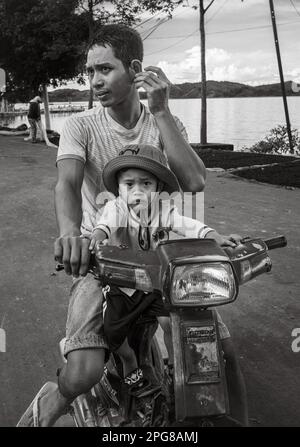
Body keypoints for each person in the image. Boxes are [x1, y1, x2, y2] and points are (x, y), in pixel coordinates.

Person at [16, 23, 245, 427]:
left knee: (219, 348)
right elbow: (66, 183)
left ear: (134, 69)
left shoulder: (163, 122)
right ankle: (54, 398)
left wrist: (161, 110)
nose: (95, 81)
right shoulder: (81, 125)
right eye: (90, 72)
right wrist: (71, 235)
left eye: (105, 69)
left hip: (162, 257)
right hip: (100, 257)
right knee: (83, 371)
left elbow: (194, 183)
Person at [88, 143, 241, 396]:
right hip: (123, 283)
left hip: (157, 281)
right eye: (129, 185)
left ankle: (176, 364)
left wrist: (214, 235)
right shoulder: (115, 208)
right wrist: (96, 237)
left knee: (171, 321)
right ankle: (128, 359)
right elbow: (104, 225)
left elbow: (186, 224)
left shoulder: (163, 210)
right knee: (112, 331)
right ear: (119, 189)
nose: (137, 191)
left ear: (158, 188)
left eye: (146, 184)